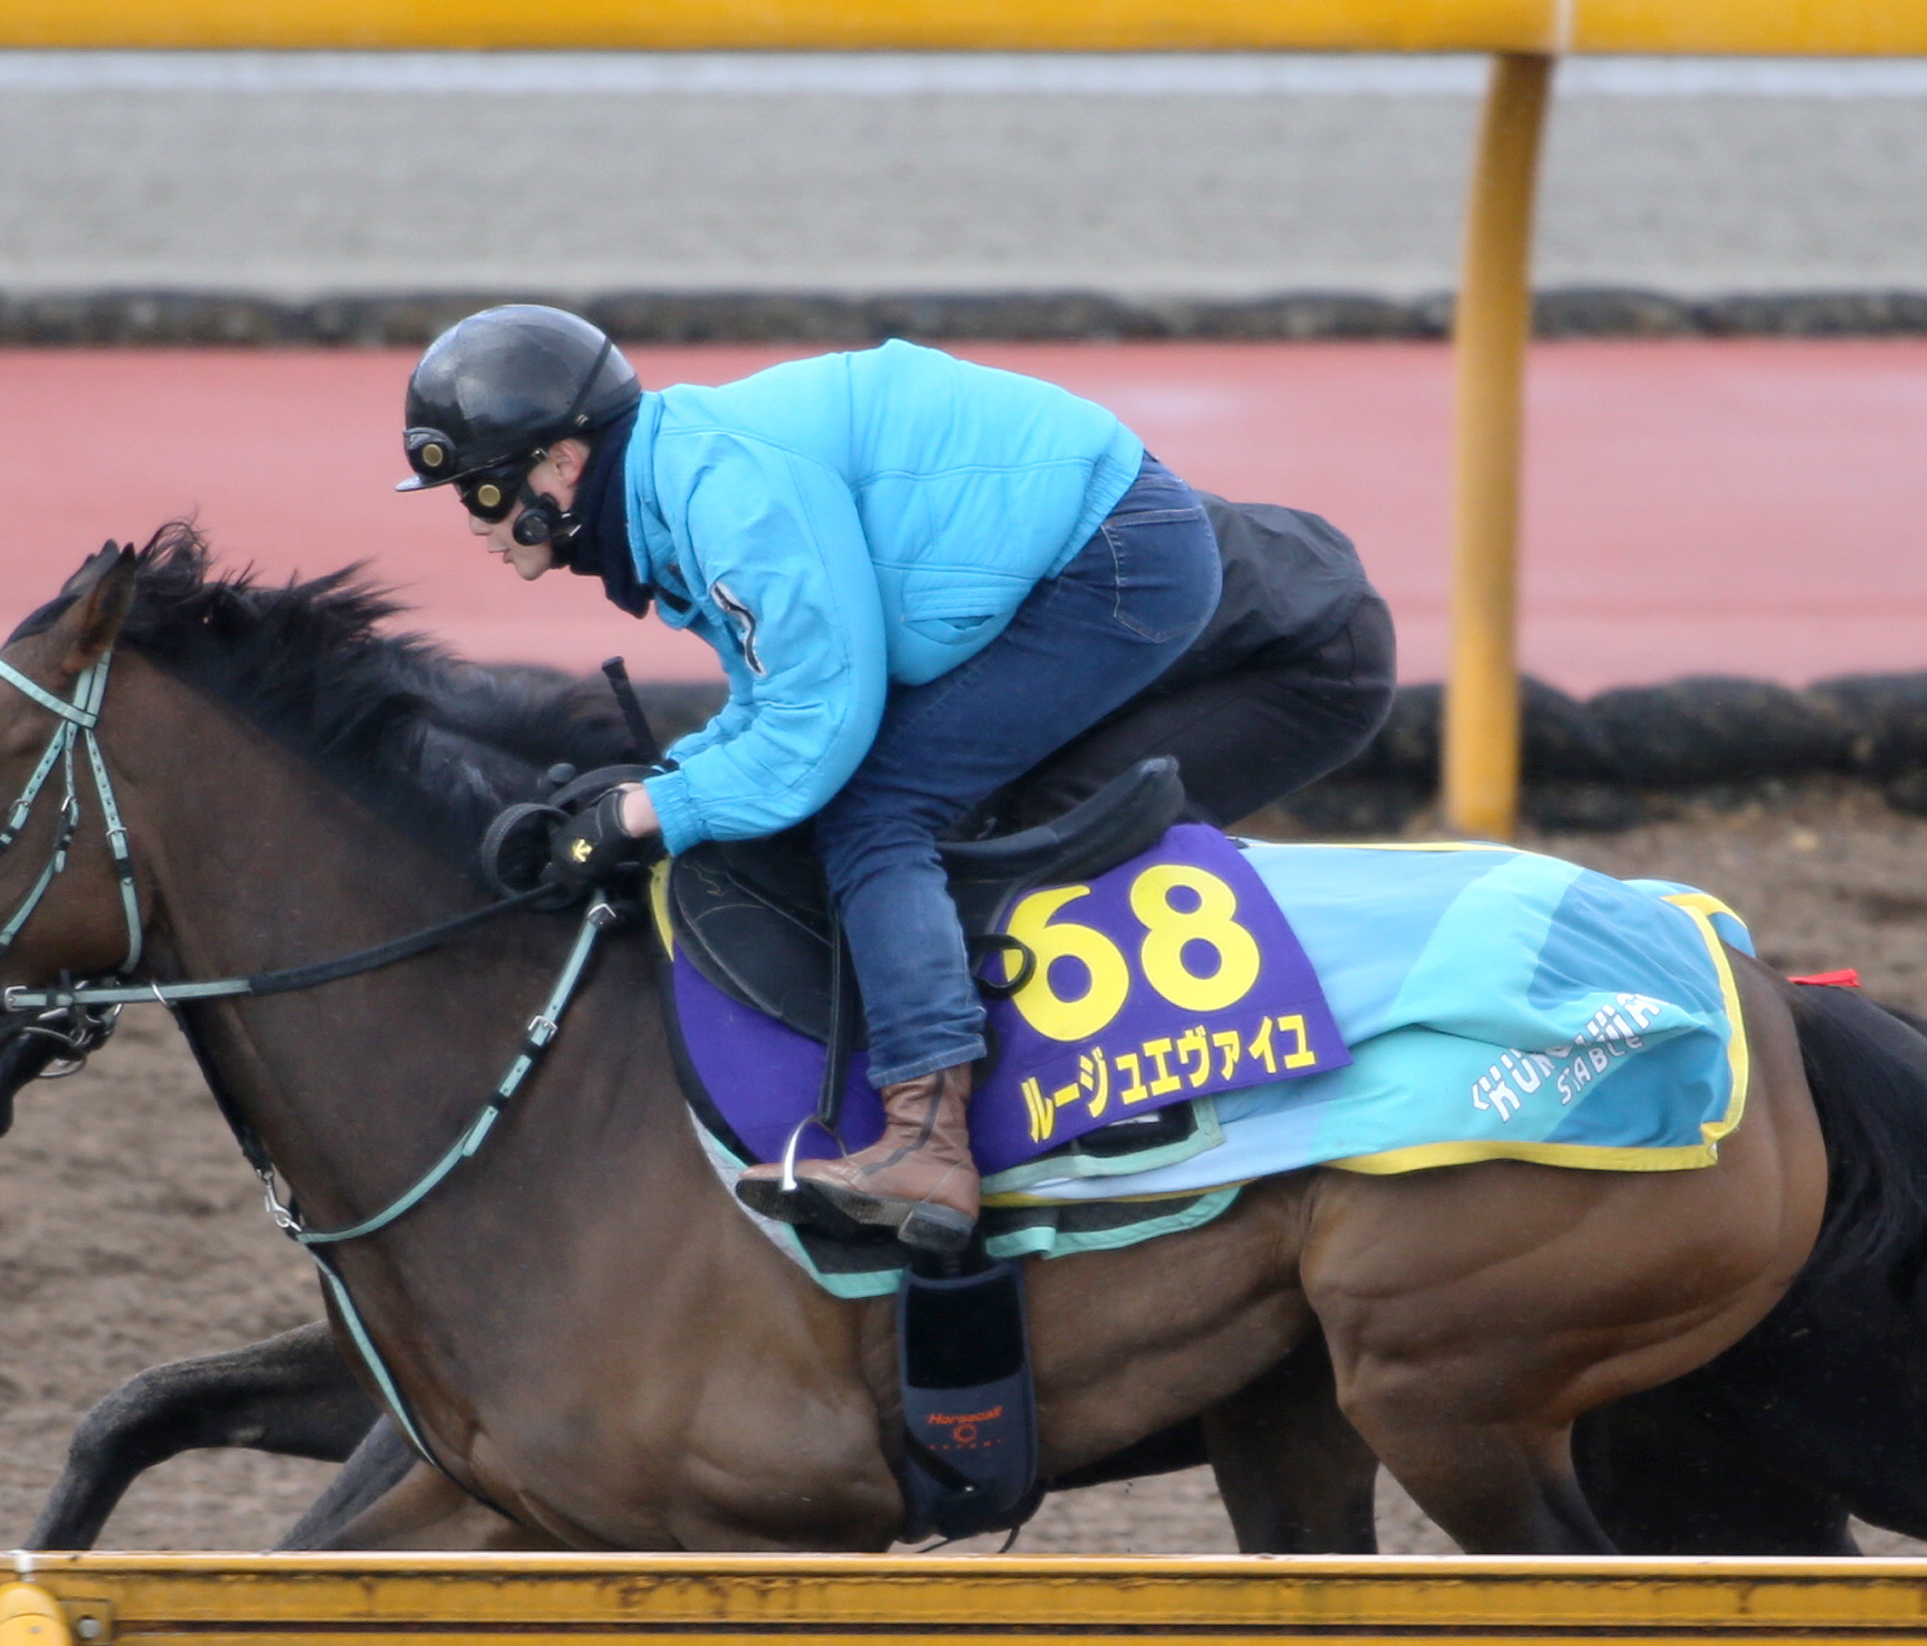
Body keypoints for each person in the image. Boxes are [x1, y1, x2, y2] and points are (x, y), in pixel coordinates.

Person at [399, 304, 1394, 1253]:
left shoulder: (723, 497)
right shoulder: (677, 485)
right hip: (1104, 540)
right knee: (887, 798)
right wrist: (655, 787)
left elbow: (815, 739)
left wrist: (641, 814)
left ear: (562, 463)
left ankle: (930, 1142)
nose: (476, 524)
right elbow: (773, 703)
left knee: (879, 814)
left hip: (1118, 562)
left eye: (482, 492)